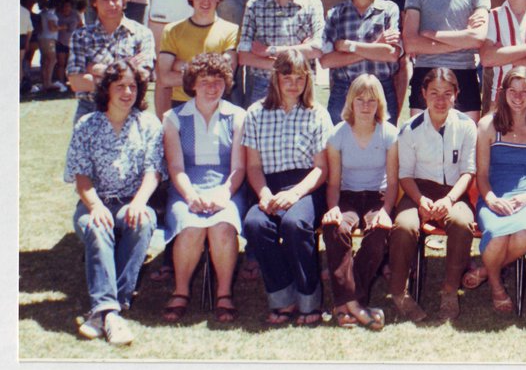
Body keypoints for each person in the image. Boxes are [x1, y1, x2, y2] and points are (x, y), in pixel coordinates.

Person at [65, 60, 162, 346]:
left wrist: (139, 202)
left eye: (133, 86)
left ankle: (104, 311)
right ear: (106, 89)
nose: (127, 92)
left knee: (142, 221)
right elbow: (81, 177)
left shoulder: (148, 124)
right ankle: (112, 311)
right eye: (120, 86)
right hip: (95, 201)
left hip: (132, 200)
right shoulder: (87, 125)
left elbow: (153, 172)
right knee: (96, 226)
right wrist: (96, 207)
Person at [242, 51, 333, 326]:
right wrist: (264, 194)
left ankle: (308, 299)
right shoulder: (255, 113)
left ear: (308, 80)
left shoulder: (317, 114)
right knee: (255, 224)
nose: (294, 84)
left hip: (306, 187)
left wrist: (294, 194)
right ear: (275, 79)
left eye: (300, 78)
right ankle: (282, 295)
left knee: (295, 224)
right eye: (287, 78)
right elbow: (253, 166)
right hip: (268, 186)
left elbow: (321, 168)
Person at [161, 53, 246, 324]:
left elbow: (239, 167)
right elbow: (175, 166)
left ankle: (224, 293)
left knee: (222, 227)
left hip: (227, 185)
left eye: (218, 80)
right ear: (192, 84)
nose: (212, 87)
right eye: (205, 81)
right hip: (186, 185)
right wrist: (190, 196)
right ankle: (181, 291)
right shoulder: (173, 118)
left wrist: (224, 194)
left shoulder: (238, 116)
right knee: (191, 227)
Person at [388, 68, 478, 321]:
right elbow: (405, 174)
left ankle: (449, 290)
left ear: (456, 95)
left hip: (453, 192)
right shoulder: (410, 128)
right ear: (423, 94)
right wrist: (420, 200)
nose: (440, 100)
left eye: (447, 94)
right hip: (418, 190)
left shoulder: (467, 126)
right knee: (404, 226)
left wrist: (449, 200)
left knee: (461, 223)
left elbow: (468, 171)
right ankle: (399, 292)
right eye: (434, 93)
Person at [467, 67, 526, 314]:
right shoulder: (487, 126)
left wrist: (525, 200)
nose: (518, 98)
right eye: (512, 91)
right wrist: (491, 200)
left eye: (524, 92)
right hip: (494, 196)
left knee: (522, 236)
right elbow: (481, 175)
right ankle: (497, 287)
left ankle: (485, 271)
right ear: (503, 92)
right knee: (497, 237)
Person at [322, 75, 399, 330]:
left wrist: (386, 211)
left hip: (378, 196)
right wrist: (333, 208)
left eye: (371, 101)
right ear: (350, 102)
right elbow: (334, 183)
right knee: (335, 229)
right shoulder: (338, 134)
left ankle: (346, 305)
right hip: (347, 196)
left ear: (379, 104)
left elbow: (393, 182)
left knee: (379, 233)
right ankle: (356, 305)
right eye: (360, 100)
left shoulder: (389, 133)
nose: (366, 106)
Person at [402, 0, 490, 122]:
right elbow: (411, 43)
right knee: (421, 137)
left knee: (467, 138)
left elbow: (477, 38)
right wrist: (461, 41)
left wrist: (433, 35)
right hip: (426, 71)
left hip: (464, 73)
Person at [320, 0, 402, 125]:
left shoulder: (389, 9)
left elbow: (392, 55)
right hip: (344, 90)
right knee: (340, 140)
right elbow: (326, 61)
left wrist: (348, 46)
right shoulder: (336, 13)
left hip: (380, 88)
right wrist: (377, 46)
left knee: (383, 141)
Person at [237, 0, 324, 107]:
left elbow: (318, 49)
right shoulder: (255, 5)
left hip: (301, 84)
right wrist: (298, 54)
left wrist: (269, 51)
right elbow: (243, 56)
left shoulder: (312, 4)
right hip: (265, 84)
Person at [66, 0, 155, 123]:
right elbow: (76, 82)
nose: (111, 4)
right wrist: (126, 72)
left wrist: (97, 69)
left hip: (130, 110)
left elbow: (142, 77)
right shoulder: (81, 36)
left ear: (124, 1)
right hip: (90, 109)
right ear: (94, 2)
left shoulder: (142, 34)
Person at [156, 0, 239, 119]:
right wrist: (210, 74)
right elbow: (165, 78)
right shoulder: (172, 30)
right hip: (181, 104)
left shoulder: (231, 30)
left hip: (216, 105)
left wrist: (183, 66)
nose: (205, 0)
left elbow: (227, 75)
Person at [34, 0, 63, 92]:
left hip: (41, 38)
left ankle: (45, 82)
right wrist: (63, 27)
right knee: (52, 60)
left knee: (45, 61)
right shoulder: (50, 14)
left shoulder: (42, 14)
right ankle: (48, 82)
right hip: (49, 39)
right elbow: (52, 28)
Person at [54, 0, 81, 87]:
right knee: (61, 63)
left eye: (68, 6)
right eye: (64, 6)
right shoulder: (57, 14)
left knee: (70, 63)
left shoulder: (75, 14)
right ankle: (61, 82)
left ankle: (71, 82)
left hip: (72, 42)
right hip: (60, 41)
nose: (66, 8)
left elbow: (81, 25)